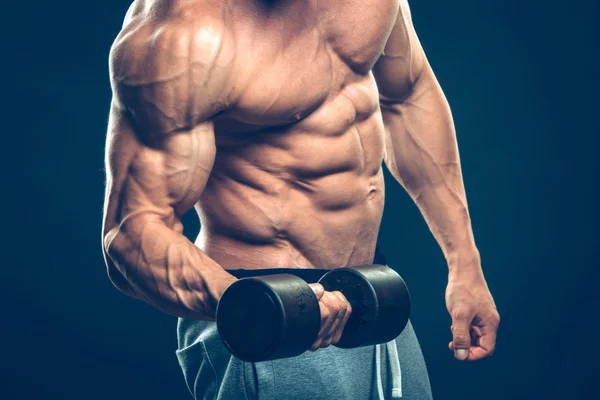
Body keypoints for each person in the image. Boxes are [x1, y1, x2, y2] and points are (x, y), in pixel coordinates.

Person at [102, 0, 500, 398]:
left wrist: (465, 265)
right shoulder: (181, 34)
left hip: (373, 299)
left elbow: (407, 96)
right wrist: (255, 307)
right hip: (270, 315)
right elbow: (130, 232)